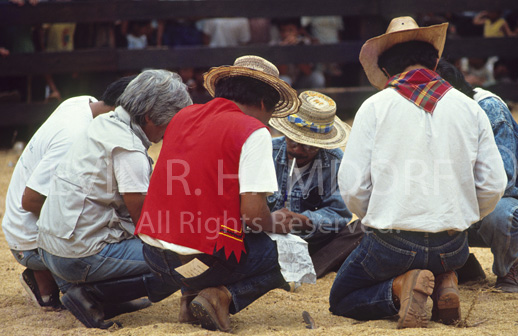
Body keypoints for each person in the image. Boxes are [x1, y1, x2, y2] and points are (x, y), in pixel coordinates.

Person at [329, 17, 507, 329]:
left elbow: (353, 188)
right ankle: (443, 281)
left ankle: (402, 286)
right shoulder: (470, 108)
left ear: (385, 70)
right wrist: (459, 216)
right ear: (435, 61)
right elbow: (494, 184)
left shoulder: (374, 107)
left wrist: (383, 214)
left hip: (392, 244)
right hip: (452, 248)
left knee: (342, 298)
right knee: (439, 257)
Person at [135, 55, 300, 333]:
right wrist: (278, 222)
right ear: (263, 104)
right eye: (271, 115)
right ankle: (218, 296)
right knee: (287, 251)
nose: (269, 122)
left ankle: (190, 298)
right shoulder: (254, 130)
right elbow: (253, 216)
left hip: (154, 258)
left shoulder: (182, 116)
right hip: (202, 263)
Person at [36, 70, 192, 329]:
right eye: (170, 123)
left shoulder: (103, 123)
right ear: (150, 117)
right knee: (182, 259)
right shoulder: (128, 147)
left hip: (51, 250)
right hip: (77, 256)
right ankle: (94, 297)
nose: (170, 131)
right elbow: (145, 222)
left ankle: (100, 295)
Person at [2, 75, 135, 310]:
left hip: (24, 227)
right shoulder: (75, 135)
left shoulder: (82, 103)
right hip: (29, 240)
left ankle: (51, 281)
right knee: (112, 234)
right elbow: (31, 200)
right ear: (120, 111)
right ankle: (52, 278)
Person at [436, 59, 518, 292]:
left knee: (501, 212)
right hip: (460, 206)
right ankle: (462, 265)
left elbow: (501, 180)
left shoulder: (489, 109)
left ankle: (508, 268)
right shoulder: (432, 114)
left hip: (512, 207)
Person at [268, 90, 358, 279]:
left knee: (362, 230)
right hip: (267, 239)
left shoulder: (335, 161)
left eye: (308, 145)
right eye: (293, 140)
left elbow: (339, 213)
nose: (298, 149)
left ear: (321, 143)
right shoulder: (267, 152)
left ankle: (306, 268)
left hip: (315, 243)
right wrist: (267, 221)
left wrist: (303, 221)